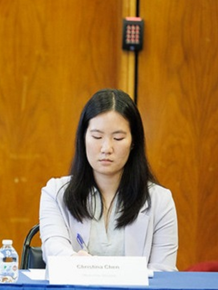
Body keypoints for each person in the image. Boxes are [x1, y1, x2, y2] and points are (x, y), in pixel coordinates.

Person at [39, 88, 178, 271]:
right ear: (83, 138)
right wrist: (76, 260)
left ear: (133, 142)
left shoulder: (160, 200)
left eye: (118, 138)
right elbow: (53, 250)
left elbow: (163, 273)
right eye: (97, 136)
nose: (106, 148)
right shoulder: (55, 193)